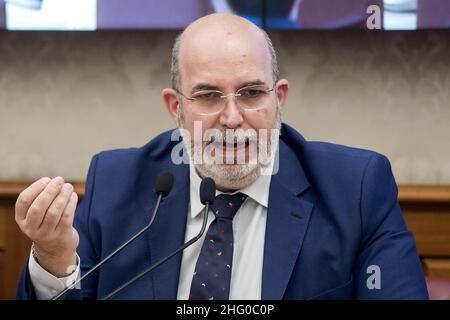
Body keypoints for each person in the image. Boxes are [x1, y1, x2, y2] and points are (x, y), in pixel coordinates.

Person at [15, 13, 428, 300]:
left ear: (278, 99)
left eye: (250, 93)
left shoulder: (356, 189)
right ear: (175, 107)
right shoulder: (117, 182)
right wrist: (54, 258)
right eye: (209, 96)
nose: (232, 119)